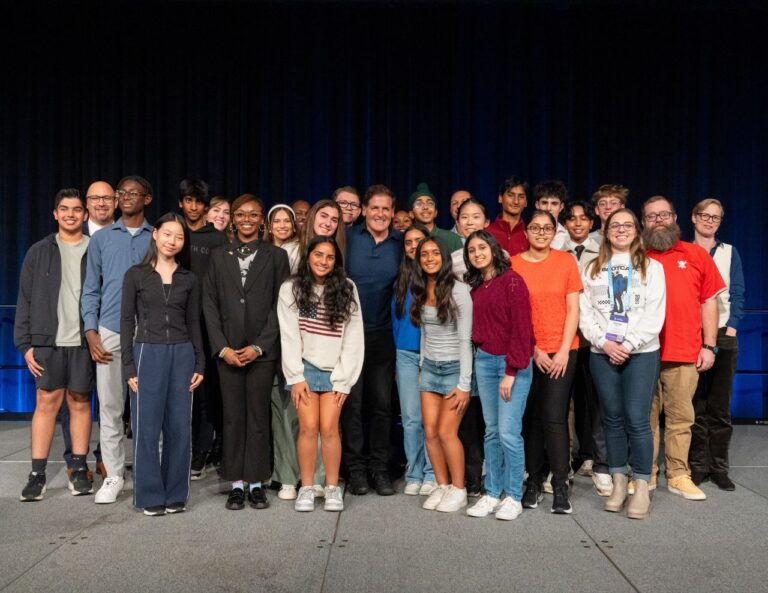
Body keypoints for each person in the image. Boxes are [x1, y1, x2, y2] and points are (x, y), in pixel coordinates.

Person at [203, 194, 290, 510]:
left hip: (260, 352)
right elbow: (209, 305)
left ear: (262, 219)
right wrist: (222, 348)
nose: (247, 219)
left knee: (257, 416)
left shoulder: (276, 256)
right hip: (227, 351)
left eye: (254, 214)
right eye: (241, 214)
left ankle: (256, 482)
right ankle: (235, 483)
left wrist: (259, 346)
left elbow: (280, 306)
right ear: (234, 219)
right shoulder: (217, 256)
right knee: (232, 417)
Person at [580, 209, 666, 519]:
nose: (621, 230)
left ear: (637, 230)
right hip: (602, 352)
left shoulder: (652, 268)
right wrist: (605, 342)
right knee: (612, 419)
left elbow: (654, 315)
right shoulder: (592, 269)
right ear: (606, 231)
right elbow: (585, 314)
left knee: (636, 418)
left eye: (627, 225)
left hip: (641, 353)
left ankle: (641, 485)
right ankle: (618, 481)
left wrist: (627, 344)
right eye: (615, 225)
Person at [121, 213, 205, 516]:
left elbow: (194, 321)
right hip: (147, 353)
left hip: (182, 354)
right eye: (168, 234)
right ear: (155, 234)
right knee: (146, 427)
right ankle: (149, 494)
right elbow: (125, 322)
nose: (173, 241)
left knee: (180, 428)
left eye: (179, 237)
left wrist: (200, 361)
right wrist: (128, 367)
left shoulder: (189, 278)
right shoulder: (136, 274)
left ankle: (175, 493)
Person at [642, 195, 725, 501]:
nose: (658, 220)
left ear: (676, 218)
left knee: (680, 418)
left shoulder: (696, 255)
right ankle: (645, 474)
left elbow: (709, 301)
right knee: (643, 419)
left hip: (684, 352)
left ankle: (678, 474)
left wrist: (709, 345)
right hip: (643, 354)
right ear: (644, 223)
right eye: (651, 216)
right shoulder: (636, 255)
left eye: (664, 214)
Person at [15, 189, 94, 501]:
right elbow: (25, 299)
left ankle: (78, 470)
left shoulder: (95, 249)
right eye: (64, 209)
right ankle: (37, 473)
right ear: (55, 213)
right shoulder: (38, 251)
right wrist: (24, 344)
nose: (71, 214)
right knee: (46, 403)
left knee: (80, 402)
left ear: (85, 214)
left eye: (76, 209)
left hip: (84, 343)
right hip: (48, 343)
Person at [81, 175, 154, 504]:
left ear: (147, 198)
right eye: (121, 193)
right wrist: (91, 331)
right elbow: (90, 289)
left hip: (149, 332)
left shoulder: (159, 237)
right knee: (110, 407)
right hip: (109, 330)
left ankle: (150, 472)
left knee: (148, 407)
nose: (125, 197)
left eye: (132, 193)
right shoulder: (101, 239)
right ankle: (113, 475)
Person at [278, 237, 364, 511]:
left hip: (334, 371)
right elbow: (289, 336)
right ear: (308, 256)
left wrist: (343, 378)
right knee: (307, 427)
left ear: (336, 261)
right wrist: (296, 376)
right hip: (304, 369)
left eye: (329, 257)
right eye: (318, 255)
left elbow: (353, 336)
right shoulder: (291, 288)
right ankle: (306, 487)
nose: (323, 261)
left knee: (329, 429)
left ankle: (331, 488)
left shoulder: (347, 288)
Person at [512, 210, 582, 514]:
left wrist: (563, 350)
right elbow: (515, 315)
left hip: (564, 350)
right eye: (535, 228)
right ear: (525, 232)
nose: (541, 232)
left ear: (555, 232)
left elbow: (573, 309)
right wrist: (534, 349)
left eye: (547, 228)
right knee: (531, 418)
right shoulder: (513, 264)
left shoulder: (566, 261)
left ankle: (561, 485)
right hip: (529, 351)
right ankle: (534, 480)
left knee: (554, 417)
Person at [464, 230, 534, 521]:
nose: (477, 253)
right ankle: (492, 492)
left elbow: (522, 330)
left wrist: (511, 371)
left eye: (482, 247)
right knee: (491, 431)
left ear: (493, 249)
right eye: (471, 250)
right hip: (484, 361)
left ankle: (514, 495)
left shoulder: (513, 281)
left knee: (508, 432)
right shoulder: (477, 287)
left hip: (511, 364)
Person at [342, 184, 402, 496]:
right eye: (374, 208)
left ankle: (380, 468)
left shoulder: (400, 243)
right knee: (352, 406)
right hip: (348, 335)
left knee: (381, 405)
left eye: (386, 209)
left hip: (383, 336)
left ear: (393, 213)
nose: (380, 214)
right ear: (364, 210)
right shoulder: (348, 238)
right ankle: (355, 470)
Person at [265, 204, 324, 500]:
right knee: (282, 410)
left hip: (299, 337)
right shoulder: (261, 253)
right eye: (276, 220)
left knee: (308, 413)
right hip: (269, 338)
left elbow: (309, 298)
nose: (282, 224)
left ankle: (313, 477)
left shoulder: (304, 253)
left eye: (287, 220)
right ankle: (286, 475)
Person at [410, 237, 473, 512]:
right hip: (431, 369)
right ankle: (442, 484)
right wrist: (423, 367)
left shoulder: (459, 290)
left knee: (448, 432)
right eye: (424, 254)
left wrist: (464, 384)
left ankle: (459, 489)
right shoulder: (421, 288)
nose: (430, 258)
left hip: (454, 369)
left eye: (435, 253)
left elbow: (465, 339)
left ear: (444, 257)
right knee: (431, 432)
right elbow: (425, 333)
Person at [57, 181, 114, 481]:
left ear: (116, 202)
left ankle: (106, 456)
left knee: (111, 399)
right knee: (75, 398)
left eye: (107, 198)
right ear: (86, 204)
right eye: (95, 198)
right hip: (74, 333)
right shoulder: (73, 234)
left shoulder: (123, 235)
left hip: (112, 329)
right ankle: (74, 459)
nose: (102, 203)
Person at [689, 198, 744, 491]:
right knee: (695, 405)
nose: (710, 221)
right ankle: (697, 466)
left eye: (716, 218)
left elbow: (738, 291)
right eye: (705, 216)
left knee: (720, 407)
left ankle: (719, 467)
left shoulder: (730, 252)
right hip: (692, 334)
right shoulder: (683, 251)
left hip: (724, 333)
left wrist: (732, 325)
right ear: (694, 218)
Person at [560, 201, 611, 496]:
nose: (578, 223)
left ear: (591, 222)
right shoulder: (557, 248)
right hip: (565, 336)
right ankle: (563, 458)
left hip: (593, 337)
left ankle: (593, 457)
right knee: (564, 400)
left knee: (594, 401)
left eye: (583, 219)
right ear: (565, 223)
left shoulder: (603, 250)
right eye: (572, 219)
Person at [178, 178, 227, 480]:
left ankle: (201, 451)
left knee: (206, 392)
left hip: (208, 325)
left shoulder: (217, 239)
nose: (193, 207)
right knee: (180, 391)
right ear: (180, 202)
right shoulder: (173, 231)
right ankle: (178, 449)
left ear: (206, 207)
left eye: (199, 202)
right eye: (188, 200)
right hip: (175, 324)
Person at [450, 197, 491, 497]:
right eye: (464, 217)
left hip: (490, 345)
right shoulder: (451, 259)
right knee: (467, 412)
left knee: (490, 413)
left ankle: (494, 473)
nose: (470, 221)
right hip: (460, 343)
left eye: (476, 216)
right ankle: (472, 473)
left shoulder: (499, 256)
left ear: (486, 222)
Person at [391, 223, 436, 496]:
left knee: (431, 419)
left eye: (418, 241)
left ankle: (432, 472)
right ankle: (415, 471)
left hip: (431, 355)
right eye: (408, 242)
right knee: (411, 418)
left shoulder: (435, 278)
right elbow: (395, 322)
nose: (413, 246)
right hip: (405, 355)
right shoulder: (400, 279)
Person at [408, 183, 462, 252]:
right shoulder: (408, 240)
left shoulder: (452, 238)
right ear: (411, 214)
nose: (425, 207)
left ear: (436, 213)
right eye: (419, 204)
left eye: (430, 203)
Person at [487, 176, 529, 256]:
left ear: (526, 202)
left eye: (521, 197)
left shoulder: (531, 233)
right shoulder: (487, 231)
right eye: (510, 195)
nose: (516, 201)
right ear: (500, 198)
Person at [533, 180, 569, 250]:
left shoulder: (568, 237)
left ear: (561, 207)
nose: (548, 208)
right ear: (537, 205)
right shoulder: (527, 234)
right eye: (544, 203)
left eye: (554, 203)